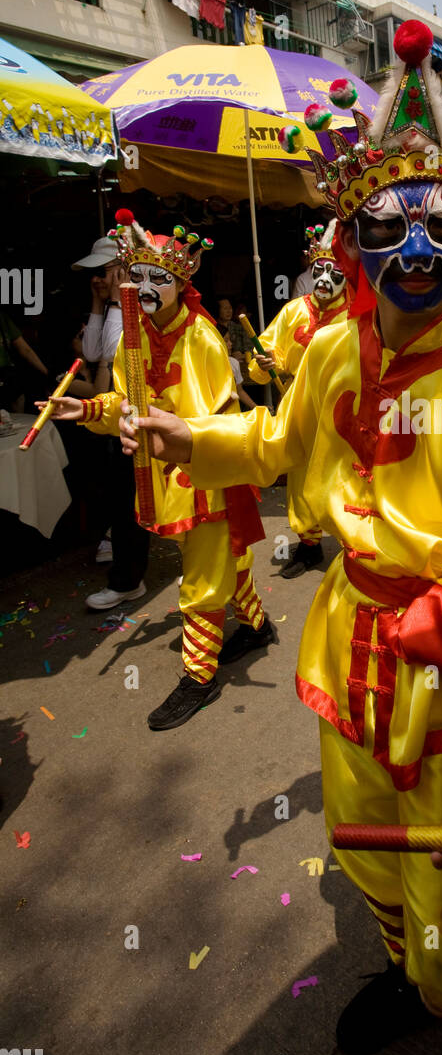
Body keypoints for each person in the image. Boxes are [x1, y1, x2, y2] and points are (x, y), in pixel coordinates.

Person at [117, 20, 442, 1055]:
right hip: (347, 645)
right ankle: (405, 970)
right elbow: (273, 442)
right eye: (386, 225)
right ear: (348, 238)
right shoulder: (332, 354)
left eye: (438, 226)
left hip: (440, 684)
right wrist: (190, 435)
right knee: (366, 853)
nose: (412, 250)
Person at [42, 214, 274, 730]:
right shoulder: (134, 337)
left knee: (201, 577)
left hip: (202, 476)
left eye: (158, 278)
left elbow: (211, 424)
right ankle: (256, 626)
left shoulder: (202, 339)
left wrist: (161, 434)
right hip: (165, 476)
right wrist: (87, 411)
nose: (145, 288)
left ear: (180, 282)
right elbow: (128, 402)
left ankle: (199, 675)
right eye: (137, 277)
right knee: (225, 556)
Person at [249, 224, 350, 579]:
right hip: (297, 402)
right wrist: (265, 363)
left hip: (340, 407)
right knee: (301, 473)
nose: (325, 279)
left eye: (335, 273)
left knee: (344, 473)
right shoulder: (293, 310)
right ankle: (309, 546)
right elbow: (265, 353)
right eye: (319, 271)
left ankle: (351, 542)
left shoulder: (356, 315)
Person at [71, 231, 152, 601]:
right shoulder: (109, 304)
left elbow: (111, 350)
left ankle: (207, 572)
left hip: (146, 414)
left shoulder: (141, 302)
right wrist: (99, 301)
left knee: (165, 497)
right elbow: (91, 351)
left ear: (122, 270)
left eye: (102, 272)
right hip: (115, 414)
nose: (98, 280)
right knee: (123, 499)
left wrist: (118, 302)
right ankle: (128, 580)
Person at [0, 308, 50, 410]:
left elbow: (25, 350)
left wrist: (48, 375)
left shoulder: (2, 317)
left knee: (18, 399)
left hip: (6, 376)